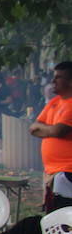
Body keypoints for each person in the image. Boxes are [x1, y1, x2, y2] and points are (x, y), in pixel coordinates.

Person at [31, 60, 72, 212]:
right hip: (52, 171)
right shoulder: (54, 102)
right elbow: (33, 128)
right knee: (53, 212)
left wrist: (49, 130)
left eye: (58, 77)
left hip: (68, 171)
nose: (53, 81)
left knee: (64, 215)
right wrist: (52, 129)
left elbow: (59, 131)